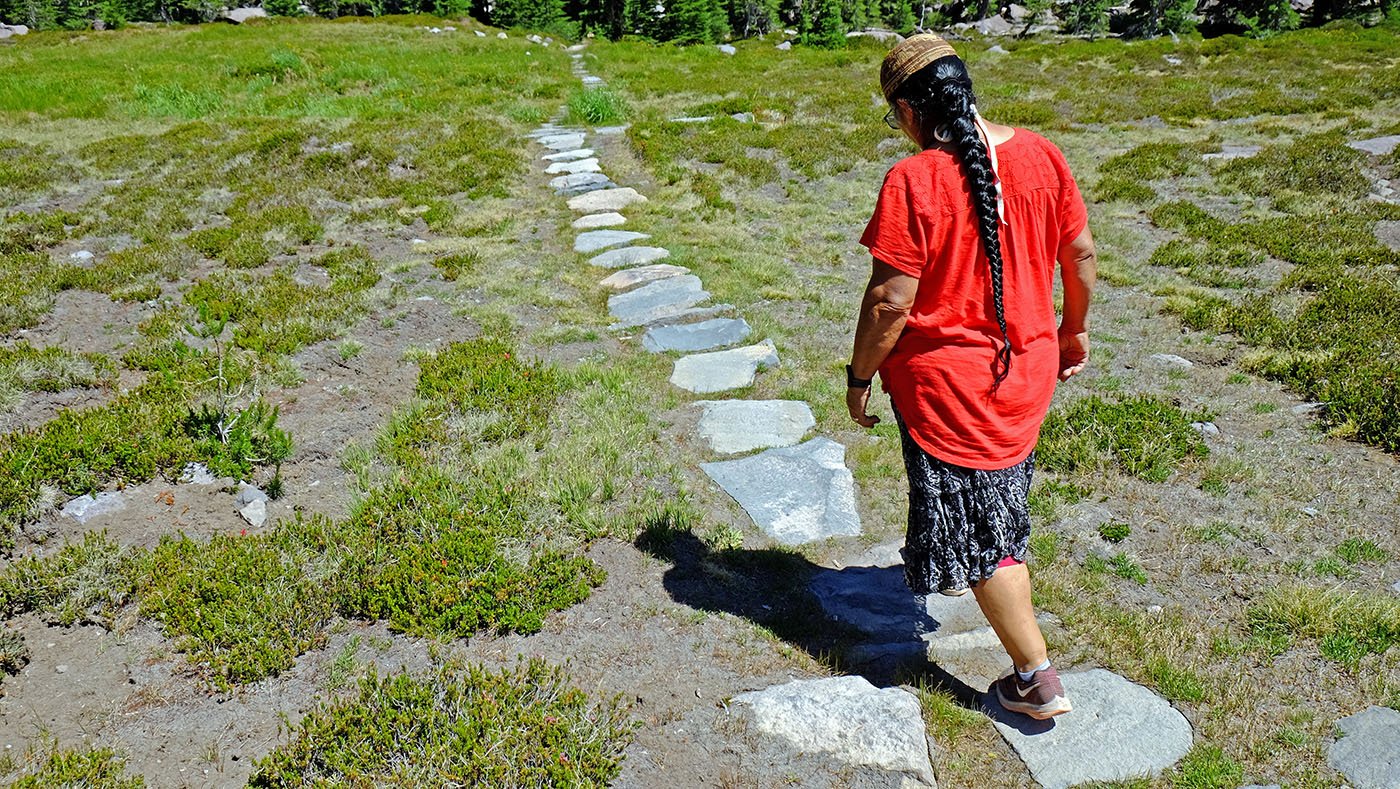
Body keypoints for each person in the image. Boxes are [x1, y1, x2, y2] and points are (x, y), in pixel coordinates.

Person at [845, 34, 1097, 721]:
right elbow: (1080, 252)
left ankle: (1036, 677)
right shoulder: (1042, 154)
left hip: (948, 390)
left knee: (984, 535)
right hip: (1027, 369)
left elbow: (888, 302)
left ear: (907, 108)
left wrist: (859, 375)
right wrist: (1072, 329)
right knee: (1001, 498)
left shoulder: (914, 179)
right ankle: (994, 592)